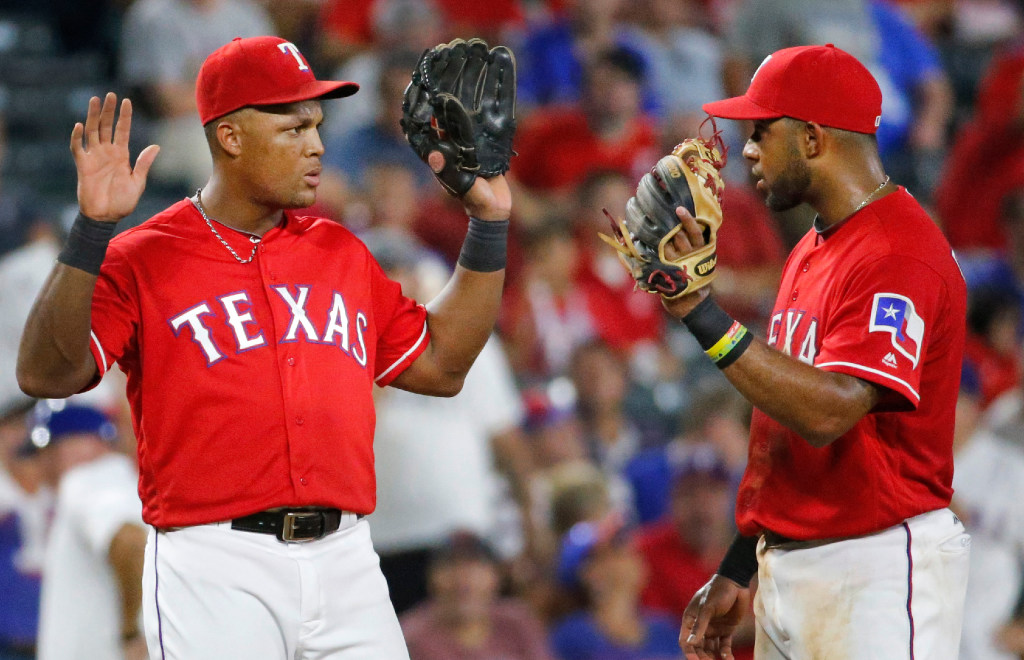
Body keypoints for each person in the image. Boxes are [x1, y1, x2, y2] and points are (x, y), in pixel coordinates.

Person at [16, 35, 512, 660]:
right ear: (231, 137)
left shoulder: (339, 251)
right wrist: (91, 233)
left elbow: (441, 365)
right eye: (294, 126)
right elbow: (43, 372)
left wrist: (489, 224)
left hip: (349, 556)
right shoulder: (142, 257)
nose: (318, 145)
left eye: (319, 125)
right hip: (216, 561)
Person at [645, 44, 969, 658]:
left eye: (762, 132)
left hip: (874, 567)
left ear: (814, 138)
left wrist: (699, 311)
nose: (746, 150)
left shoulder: (896, 253)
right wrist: (743, 562)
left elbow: (829, 412)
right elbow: (783, 427)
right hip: (798, 560)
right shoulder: (817, 244)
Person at [27, 401, 147, 660]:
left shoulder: (91, 478)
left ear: (88, 444)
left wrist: (132, 633)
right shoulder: (117, 482)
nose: (42, 462)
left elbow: (132, 543)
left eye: (50, 448)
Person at [400, 530, 555, 660]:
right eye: (451, 566)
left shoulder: (518, 622)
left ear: (496, 577)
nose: (463, 580)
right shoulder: (410, 636)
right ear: (431, 579)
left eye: (473, 566)